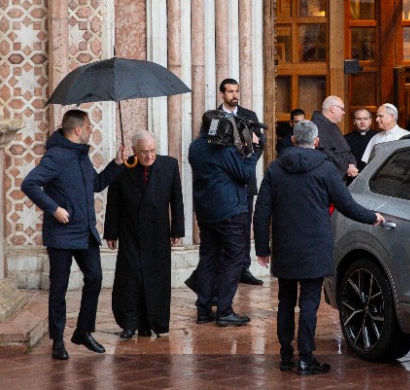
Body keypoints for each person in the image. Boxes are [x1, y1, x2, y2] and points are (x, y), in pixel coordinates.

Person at [254, 120, 384, 375]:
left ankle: (285, 356)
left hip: (285, 244)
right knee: (309, 303)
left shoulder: (276, 168)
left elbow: (262, 211)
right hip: (315, 245)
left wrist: (262, 248)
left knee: (285, 300)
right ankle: (305, 357)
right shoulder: (325, 168)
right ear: (316, 142)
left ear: (293, 140)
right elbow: (346, 204)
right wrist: (372, 217)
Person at [21, 109, 126, 360]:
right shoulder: (56, 155)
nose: (91, 130)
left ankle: (83, 331)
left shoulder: (81, 155)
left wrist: (117, 164)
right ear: (78, 129)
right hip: (61, 234)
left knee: (95, 278)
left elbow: (96, 184)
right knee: (59, 287)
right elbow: (29, 184)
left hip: (85, 231)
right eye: (88, 126)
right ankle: (58, 340)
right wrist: (54, 209)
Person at [184, 78, 265, 289]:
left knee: (244, 227)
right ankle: (213, 278)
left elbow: (259, 144)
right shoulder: (213, 118)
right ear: (222, 94)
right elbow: (209, 146)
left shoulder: (249, 116)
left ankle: (243, 269)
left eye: (236, 91)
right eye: (230, 91)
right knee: (220, 236)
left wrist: (248, 159)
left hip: (243, 180)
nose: (234, 95)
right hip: (221, 185)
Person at [104, 130, 184, 339]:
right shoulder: (123, 167)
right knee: (130, 280)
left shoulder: (170, 165)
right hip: (130, 232)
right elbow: (113, 203)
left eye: (152, 151)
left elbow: (176, 200)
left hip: (158, 234)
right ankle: (129, 324)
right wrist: (111, 233)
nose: (149, 156)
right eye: (144, 152)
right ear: (134, 151)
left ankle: (151, 323)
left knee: (155, 279)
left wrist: (177, 230)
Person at [188, 110, 261, 327]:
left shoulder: (195, 147)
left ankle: (203, 309)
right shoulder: (224, 150)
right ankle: (224, 310)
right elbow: (245, 175)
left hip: (206, 211)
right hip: (229, 211)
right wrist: (252, 149)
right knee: (234, 259)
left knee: (208, 258)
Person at [311, 96, 359, 180]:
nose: (343, 112)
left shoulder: (331, 125)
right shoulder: (318, 126)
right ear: (333, 109)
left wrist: (352, 164)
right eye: (342, 109)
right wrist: (346, 167)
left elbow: (345, 149)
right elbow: (326, 153)